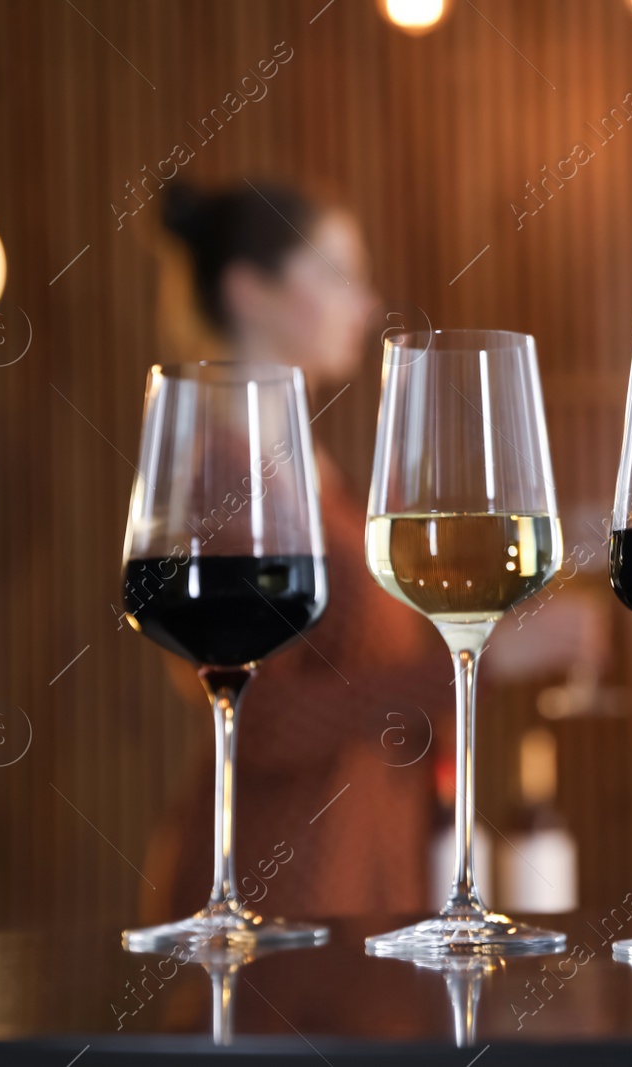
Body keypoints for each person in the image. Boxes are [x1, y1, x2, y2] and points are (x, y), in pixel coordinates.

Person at [139, 180, 451, 921]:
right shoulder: (223, 471)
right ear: (251, 291)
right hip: (283, 887)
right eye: (338, 275)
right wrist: (474, 663)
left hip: (361, 870)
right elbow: (264, 719)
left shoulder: (312, 475)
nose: (368, 302)